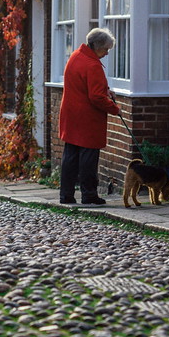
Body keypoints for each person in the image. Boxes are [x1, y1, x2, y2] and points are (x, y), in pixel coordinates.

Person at [59, 28, 120, 205]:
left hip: (71, 114)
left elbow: (83, 84)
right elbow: (96, 97)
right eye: (106, 49)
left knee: (70, 156)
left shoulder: (76, 56)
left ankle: (66, 195)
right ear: (97, 46)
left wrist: (105, 90)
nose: (107, 53)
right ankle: (89, 194)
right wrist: (115, 109)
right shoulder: (93, 64)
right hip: (87, 118)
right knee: (88, 158)